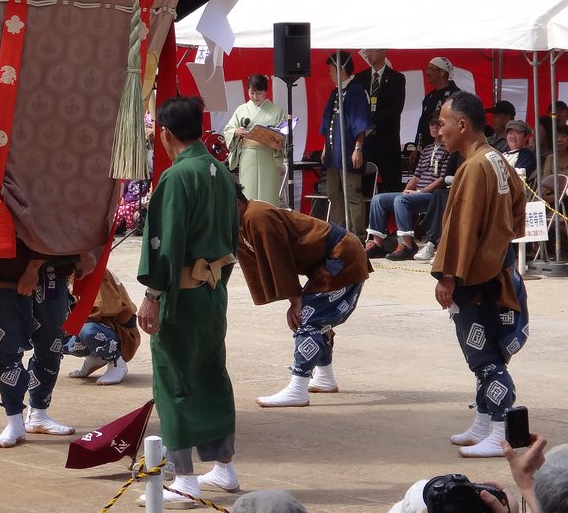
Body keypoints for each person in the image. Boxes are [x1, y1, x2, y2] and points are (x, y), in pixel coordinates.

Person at [137, 95, 240, 506]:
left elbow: (166, 243)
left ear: (164, 133)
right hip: (214, 290)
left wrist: (153, 296)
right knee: (212, 374)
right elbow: (233, 236)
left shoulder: (177, 177)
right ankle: (225, 467)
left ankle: (185, 479)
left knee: (174, 379)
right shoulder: (218, 169)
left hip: (182, 294)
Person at [433, 91, 529, 458]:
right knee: (483, 356)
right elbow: (519, 211)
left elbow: (462, 226)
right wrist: (498, 244)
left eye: (442, 124)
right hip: (495, 270)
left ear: (462, 124)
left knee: (485, 357)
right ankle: (485, 420)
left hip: (477, 279)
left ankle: (502, 429)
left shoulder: (474, 167)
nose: (439, 132)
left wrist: (449, 277)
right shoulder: (499, 159)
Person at [236, 194, 371, 408]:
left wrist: (295, 299)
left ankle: (298, 389)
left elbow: (278, 257)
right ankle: (325, 378)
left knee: (308, 319)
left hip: (342, 255)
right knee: (317, 319)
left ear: (235, 202)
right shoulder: (243, 218)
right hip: (332, 256)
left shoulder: (256, 215)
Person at [0, 237, 77, 449]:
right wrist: (31, 268)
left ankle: (38, 414)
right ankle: (15, 421)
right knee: (8, 348)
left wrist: (85, 253)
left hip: (52, 274)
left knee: (51, 346)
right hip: (9, 271)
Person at [365, 114, 449, 262]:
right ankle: (377, 244)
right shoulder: (427, 149)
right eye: (431, 124)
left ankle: (408, 246)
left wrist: (419, 192)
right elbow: (416, 176)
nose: (434, 127)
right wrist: (407, 191)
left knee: (401, 200)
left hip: (434, 196)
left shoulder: (449, 149)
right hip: (418, 193)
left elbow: (442, 180)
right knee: (379, 199)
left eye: (438, 124)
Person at [319, 51, 373, 238]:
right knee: (333, 193)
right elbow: (329, 123)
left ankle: (356, 235)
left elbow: (360, 124)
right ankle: (337, 232)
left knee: (352, 194)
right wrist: (326, 147)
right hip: (335, 152)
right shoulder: (336, 92)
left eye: (331, 70)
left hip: (349, 151)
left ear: (341, 69)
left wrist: (358, 148)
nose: (329, 73)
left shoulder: (356, 91)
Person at [63, 268, 140, 386]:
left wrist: (71, 327)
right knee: (52, 337)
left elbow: (106, 310)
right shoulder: (70, 272)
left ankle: (116, 362)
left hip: (123, 334)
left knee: (88, 331)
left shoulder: (94, 270)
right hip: (96, 326)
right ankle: (94, 358)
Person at [222, 74, 285, 205]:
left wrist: (279, 142)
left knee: (268, 196)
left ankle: (269, 223)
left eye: (259, 93)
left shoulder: (276, 111)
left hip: (268, 155)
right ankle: (249, 223)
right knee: (248, 193)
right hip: (248, 155)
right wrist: (236, 131)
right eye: (252, 93)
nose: (255, 97)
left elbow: (284, 133)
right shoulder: (241, 110)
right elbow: (228, 130)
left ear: (266, 91)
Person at [354, 50, 406, 193]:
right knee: (365, 187)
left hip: (388, 139)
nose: (368, 54)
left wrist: (373, 123)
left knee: (392, 186)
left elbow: (396, 108)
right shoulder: (360, 78)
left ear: (383, 52)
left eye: (372, 51)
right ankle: (367, 216)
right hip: (367, 141)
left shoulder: (397, 78)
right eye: (367, 52)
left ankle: (393, 215)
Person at [414, 57, 460, 158]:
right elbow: (422, 122)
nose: (427, 72)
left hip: (446, 150)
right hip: (426, 149)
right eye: (427, 69)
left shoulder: (456, 95)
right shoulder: (429, 97)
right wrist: (416, 147)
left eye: (431, 69)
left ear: (442, 72)